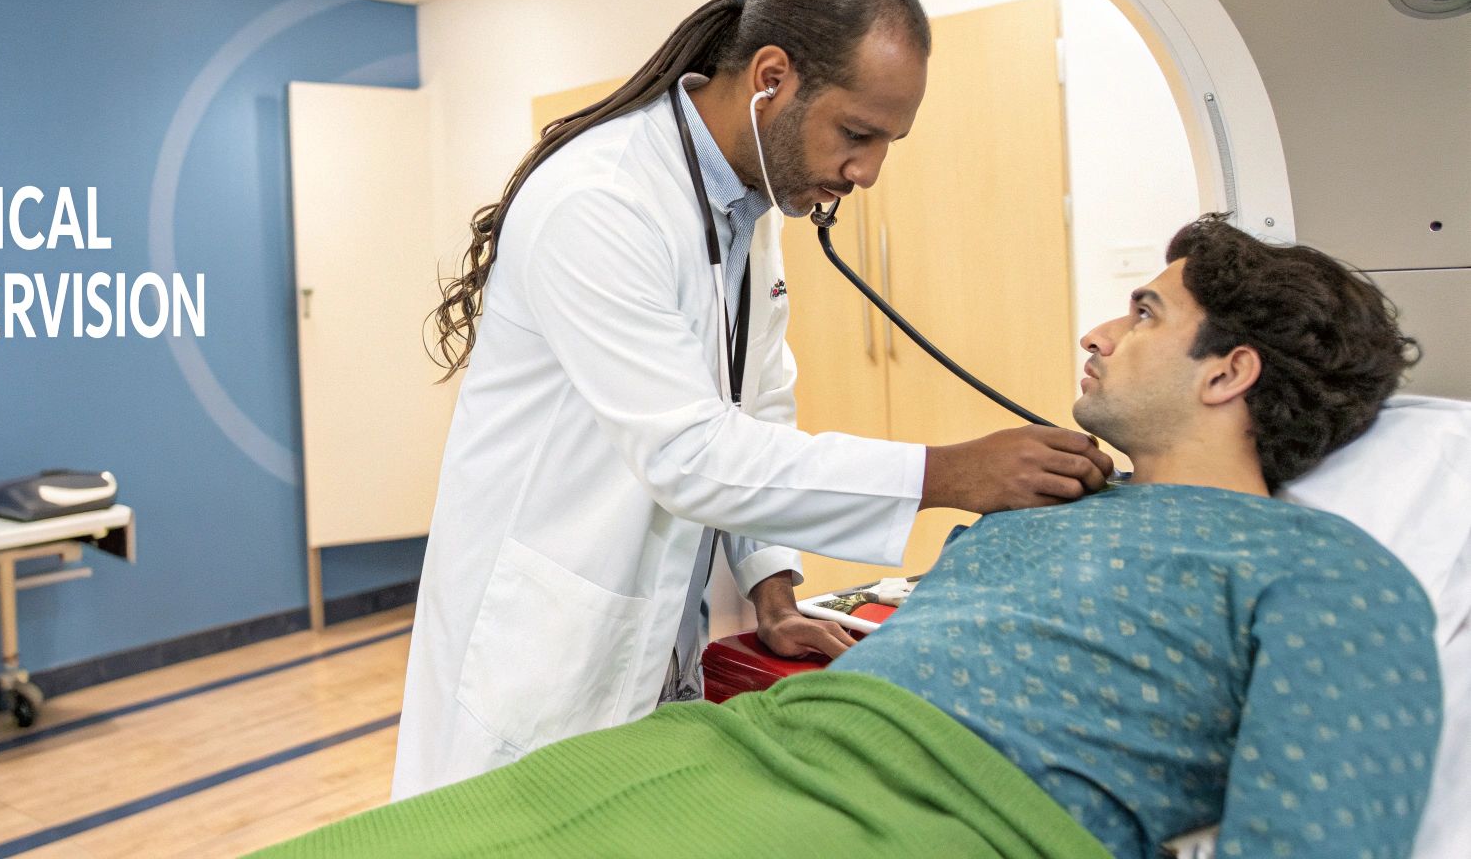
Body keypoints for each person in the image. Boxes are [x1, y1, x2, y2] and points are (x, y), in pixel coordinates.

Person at [258, 216, 1440, 859]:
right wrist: (852, 643)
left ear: (1228, 371)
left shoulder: (1325, 573)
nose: (1095, 330)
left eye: (1142, 311)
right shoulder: (1040, 507)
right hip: (725, 750)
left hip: (922, 815)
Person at [395, 0, 1115, 798]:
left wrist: (774, 592)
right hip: (540, 655)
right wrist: (951, 472)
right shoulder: (601, 199)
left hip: (654, 638)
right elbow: (691, 455)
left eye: (888, 142)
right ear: (771, 78)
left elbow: (757, 410)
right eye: (857, 133)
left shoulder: (747, 204)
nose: (868, 172)